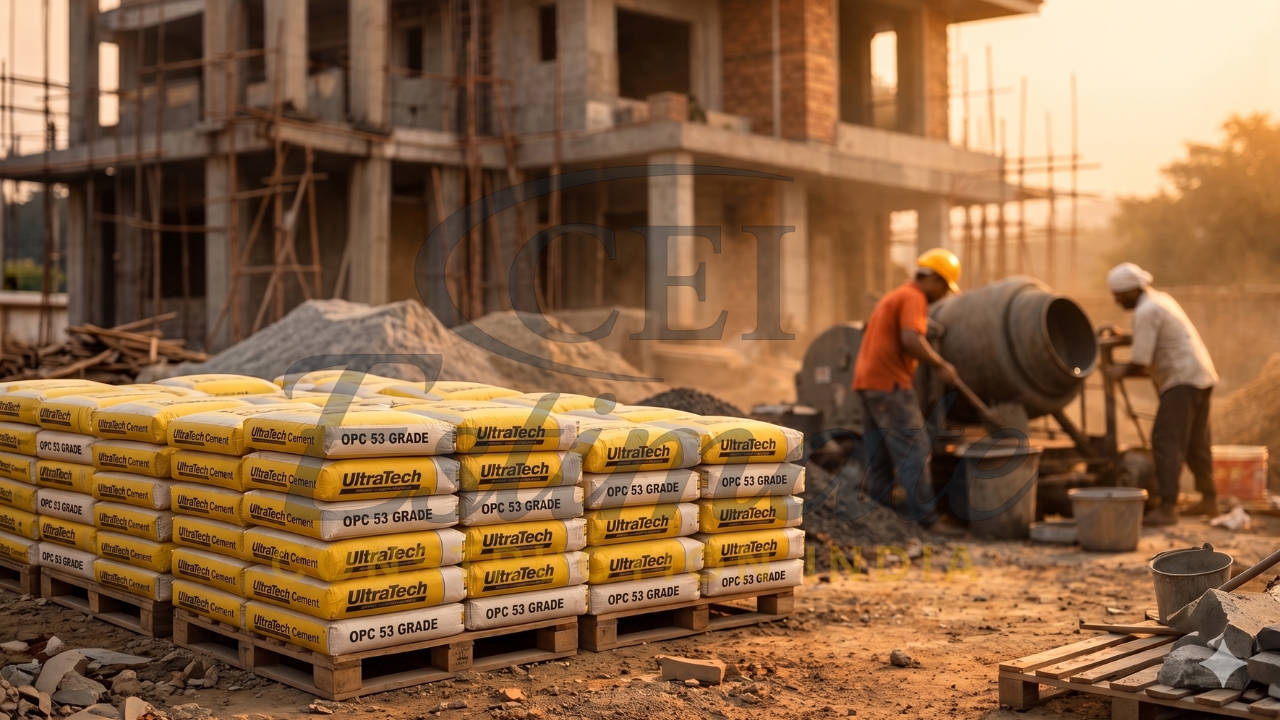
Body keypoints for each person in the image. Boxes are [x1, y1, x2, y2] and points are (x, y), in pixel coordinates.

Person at [852, 249, 963, 534]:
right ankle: (926, 520)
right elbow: (911, 338)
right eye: (944, 288)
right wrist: (941, 365)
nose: (944, 295)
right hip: (891, 385)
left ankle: (879, 518)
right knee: (915, 450)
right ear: (935, 280)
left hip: (869, 383)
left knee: (879, 454)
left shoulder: (895, 295)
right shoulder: (914, 297)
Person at [1107, 262, 1219, 526]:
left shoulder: (1145, 311)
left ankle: (1168, 507)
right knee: (1195, 442)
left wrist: (1115, 371)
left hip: (1181, 380)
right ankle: (1210, 499)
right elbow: (1151, 336)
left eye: (1118, 295)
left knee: (1166, 440)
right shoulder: (1160, 301)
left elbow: (1140, 364)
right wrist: (1124, 337)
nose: (1116, 300)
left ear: (1131, 291)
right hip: (1201, 376)